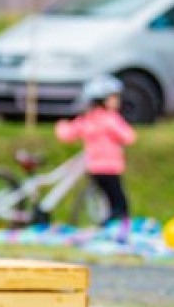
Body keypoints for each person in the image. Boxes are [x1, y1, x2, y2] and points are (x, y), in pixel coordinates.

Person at [55, 74, 136, 225]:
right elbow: (128, 137)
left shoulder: (88, 119)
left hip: (94, 167)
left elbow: (67, 134)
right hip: (111, 167)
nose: (117, 101)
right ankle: (117, 225)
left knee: (105, 196)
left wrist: (61, 125)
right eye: (114, 97)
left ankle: (107, 221)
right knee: (118, 202)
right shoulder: (111, 119)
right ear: (103, 100)